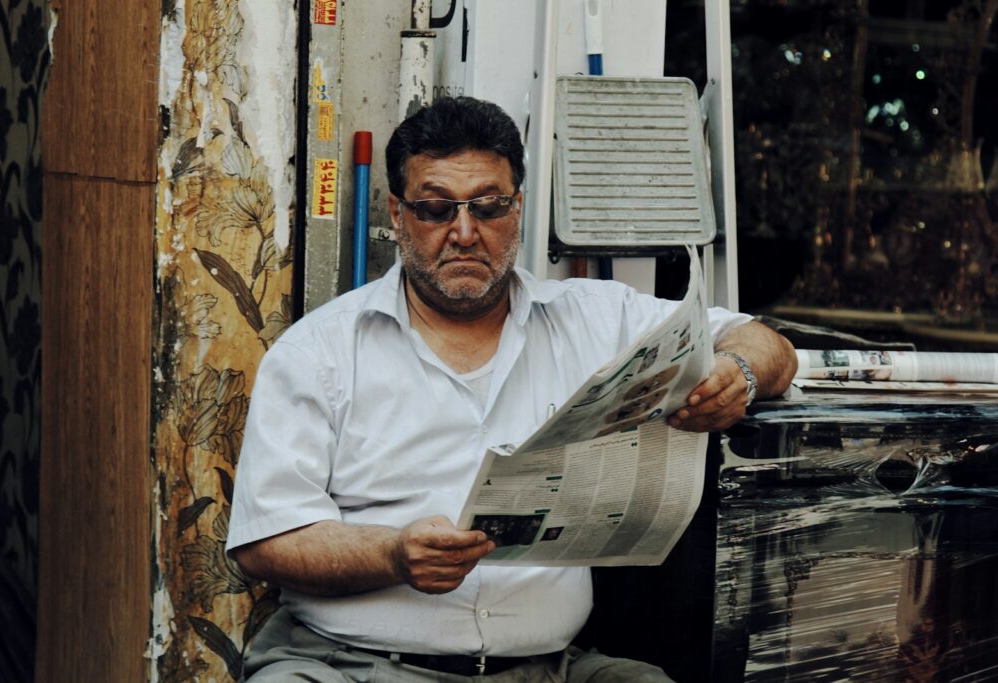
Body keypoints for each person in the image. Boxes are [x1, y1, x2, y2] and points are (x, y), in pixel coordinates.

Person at [227, 96, 797, 682]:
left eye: (489, 206)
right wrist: (392, 554)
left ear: (517, 208)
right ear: (398, 214)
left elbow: (767, 344)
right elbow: (266, 542)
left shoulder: (593, 320)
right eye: (436, 209)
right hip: (350, 666)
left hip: (547, 669)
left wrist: (740, 375)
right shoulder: (318, 352)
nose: (465, 232)